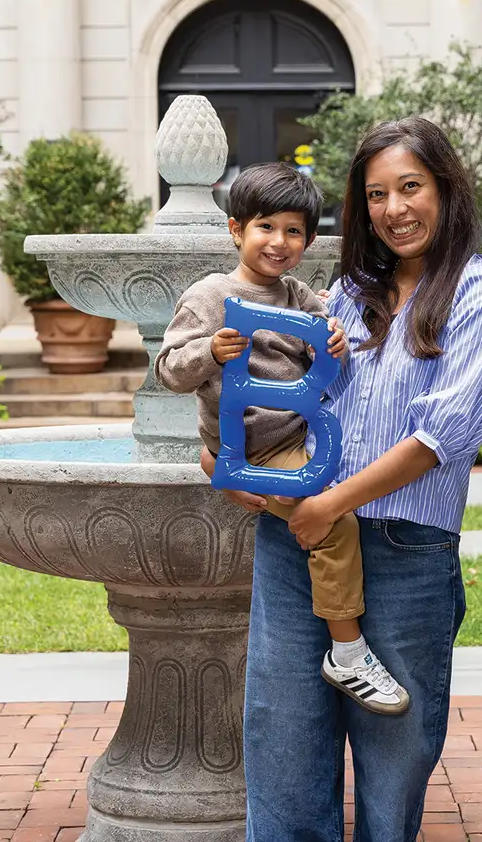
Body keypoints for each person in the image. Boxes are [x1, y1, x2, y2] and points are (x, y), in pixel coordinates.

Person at [207, 117, 482, 841]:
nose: (394, 209)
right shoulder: (346, 291)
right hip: (298, 540)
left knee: (393, 755)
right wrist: (232, 467)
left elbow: (445, 433)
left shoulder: (480, 290)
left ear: (445, 188)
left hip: (405, 547)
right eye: (376, 194)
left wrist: (331, 503)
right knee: (283, 742)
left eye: (410, 187)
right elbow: (280, 393)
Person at [155, 161, 410, 716]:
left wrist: (334, 342)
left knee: (354, 488)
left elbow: (328, 345)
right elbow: (169, 370)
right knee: (331, 519)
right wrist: (209, 352)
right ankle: (347, 650)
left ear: (309, 239)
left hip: (298, 433)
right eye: (266, 227)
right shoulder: (210, 295)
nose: (279, 242)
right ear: (235, 230)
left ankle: (215, 468)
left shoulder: (298, 296)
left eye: (294, 231)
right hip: (251, 447)